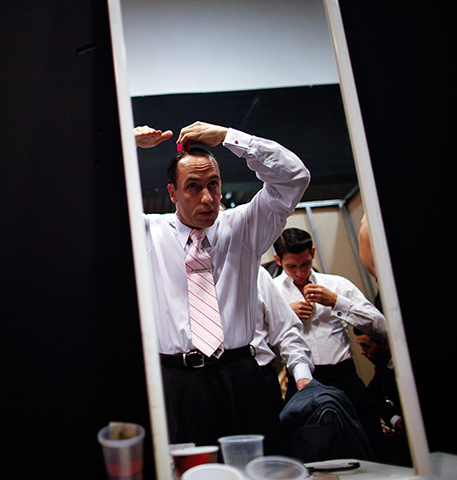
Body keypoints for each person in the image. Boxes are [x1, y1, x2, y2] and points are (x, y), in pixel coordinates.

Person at [140, 121, 310, 450]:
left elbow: (294, 177)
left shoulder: (244, 227)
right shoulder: (147, 232)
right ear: (173, 193)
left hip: (242, 376)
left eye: (213, 184)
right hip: (178, 381)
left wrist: (229, 137)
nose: (207, 198)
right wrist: (125, 143)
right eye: (192, 187)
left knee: (262, 468)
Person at [271, 227, 388, 459]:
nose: (300, 273)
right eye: (291, 266)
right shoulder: (272, 291)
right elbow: (259, 344)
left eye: (305, 264)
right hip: (302, 382)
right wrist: (284, 315)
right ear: (278, 260)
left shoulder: (336, 285)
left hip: (346, 379)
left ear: (312, 252)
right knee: (311, 455)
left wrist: (338, 302)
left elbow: (382, 328)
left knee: (371, 447)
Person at [252, 266, 314, 413]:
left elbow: (285, 327)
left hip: (257, 375)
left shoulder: (253, 270)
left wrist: (301, 373)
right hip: (196, 379)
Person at [353, 328, 411, 466]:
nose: (362, 352)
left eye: (366, 346)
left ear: (385, 344)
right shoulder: (381, 369)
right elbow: (372, 397)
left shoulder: (406, 368)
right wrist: (394, 419)